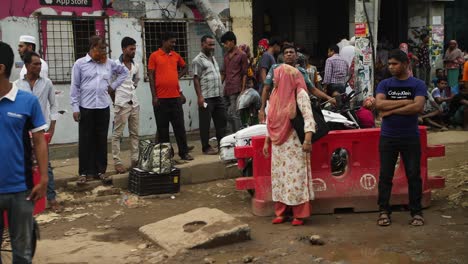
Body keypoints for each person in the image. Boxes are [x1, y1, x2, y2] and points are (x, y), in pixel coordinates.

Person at [0, 41, 48, 263]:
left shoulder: (26, 101)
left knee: (22, 252)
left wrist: (45, 178)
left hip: (21, 189)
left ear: (1, 68)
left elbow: (39, 141)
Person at [375, 49, 427, 227]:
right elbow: (379, 104)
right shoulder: (384, 84)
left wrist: (390, 110)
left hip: (410, 137)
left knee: (414, 175)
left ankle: (416, 212)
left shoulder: (418, 84)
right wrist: (406, 102)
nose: (391, 67)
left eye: (394, 64)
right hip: (388, 137)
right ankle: (383, 211)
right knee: (385, 175)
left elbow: (418, 107)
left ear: (405, 64)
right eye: (389, 64)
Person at [262, 62, 316, 226]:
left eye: (278, 77)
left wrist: (307, 140)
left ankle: (299, 214)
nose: (275, 80)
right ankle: (281, 212)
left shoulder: (299, 93)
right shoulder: (275, 94)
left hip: (295, 143)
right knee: (279, 178)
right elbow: (271, 120)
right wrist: (267, 141)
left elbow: (308, 117)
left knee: (296, 177)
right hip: (278, 144)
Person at [70, 36, 129, 185]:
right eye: (101, 49)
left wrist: (113, 86)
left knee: (101, 140)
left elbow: (124, 72)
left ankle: (100, 171)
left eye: (105, 49)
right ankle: (84, 172)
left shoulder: (109, 63)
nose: (104, 52)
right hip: (86, 107)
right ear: (92, 48)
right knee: (85, 140)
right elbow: (75, 87)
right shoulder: (80, 64)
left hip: (102, 107)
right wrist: (75, 108)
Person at [14, 51, 61, 212]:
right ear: (27, 66)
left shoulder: (46, 83)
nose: (39, 67)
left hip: (41, 129)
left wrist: (53, 126)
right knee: (24, 163)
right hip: (22, 131)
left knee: (45, 164)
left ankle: (52, 198)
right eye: (35, 64)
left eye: (40, 64)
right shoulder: (17, 85)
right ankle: (25, 198)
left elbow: (54, 104)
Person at [259, 45, 335, 123]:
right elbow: (266, 89)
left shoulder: (301, 71)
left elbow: (313, 90)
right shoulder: (275, 69)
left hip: (296, 110)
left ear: (296, 56)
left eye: (291, 52)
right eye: (286, 53)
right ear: (283, 56)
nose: (288, 54)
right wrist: (262, 109)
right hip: (278, 109)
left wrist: (328, 98)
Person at [148, 32, 193, 161]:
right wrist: (154, 96)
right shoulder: (154, 56)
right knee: (163, 129)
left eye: (174, 42)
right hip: (161, 99)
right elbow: (151, 76)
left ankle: (183, 153)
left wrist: (176, 77)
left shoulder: (176, 55)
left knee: (179, 127)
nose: (174, 44)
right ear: (164, 41)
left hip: (175, 98)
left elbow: (185, 67)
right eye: (171, 42)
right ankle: (166, 155)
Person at [192, 35, 227, 155]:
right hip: (207, 97)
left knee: (221, 122)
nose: (212, 47)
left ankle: (222, 145)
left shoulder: (213, 58)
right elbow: (196, 79)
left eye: (213, 44)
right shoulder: (198, 60)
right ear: (202, 44)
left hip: (218, 96)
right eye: (209, 44)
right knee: (205, 123)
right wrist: (200, 97)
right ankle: (206, 147)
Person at [112, 37, 141, 173]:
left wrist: (131, 90)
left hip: (134, 103)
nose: (133, 51)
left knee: (135, 133)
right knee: (117, 134)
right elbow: (109, 86)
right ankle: (117, 162)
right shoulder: (115, 65)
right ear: (124, 49)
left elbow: (136, 80)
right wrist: (116, 100)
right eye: (131, 49)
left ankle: (135, 160)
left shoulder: (136, 66)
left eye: (134, 48)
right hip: (121, 104)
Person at [221, 31, 248, 133]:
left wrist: (243, 89)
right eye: (224, 44)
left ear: (232, 41)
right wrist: (219, 86)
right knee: (226, 113)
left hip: (236, 88)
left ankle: (238, 136)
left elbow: (245, 73)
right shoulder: (226, 56)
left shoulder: (242, 55)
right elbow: (223, 72)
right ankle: (232, 134)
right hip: (227, 88)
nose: (225, 45)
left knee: (234, 113)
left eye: (226, 43)